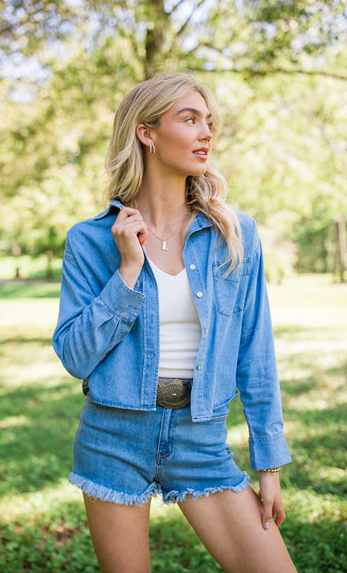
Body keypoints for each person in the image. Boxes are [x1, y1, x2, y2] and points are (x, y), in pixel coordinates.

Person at [52, 73, 297, 573]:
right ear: (147, 132)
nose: (207, 132)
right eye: (190, 119)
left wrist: (268, 463)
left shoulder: (235, 234)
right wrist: (126, 272)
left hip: (201, 439)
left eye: (209, 122)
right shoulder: (90, 240)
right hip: (112, 438)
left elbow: (256, 352)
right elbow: (75, 357)